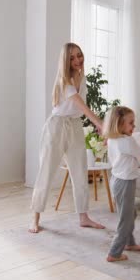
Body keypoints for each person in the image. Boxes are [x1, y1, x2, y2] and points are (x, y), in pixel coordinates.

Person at [29, 42, 105, 233]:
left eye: (79, 55)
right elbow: (82, 106)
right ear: (65, 61)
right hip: (56, 127)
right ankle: (35, 218)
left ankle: (84, 216)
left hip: (75, 125)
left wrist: (96, 124)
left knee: (80, 171)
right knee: (46, 171)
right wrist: (99, 123)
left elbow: (79, 111)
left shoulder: (82, 77)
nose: (77, 60)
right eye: (72, 58)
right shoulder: (65, 81)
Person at [102, 106, 140, 262]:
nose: (134, 126)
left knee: (130, 214)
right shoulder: (127, 141)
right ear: (119, 124)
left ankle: (130, 243)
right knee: (126, 218)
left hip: (116, 180)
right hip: (126, 183)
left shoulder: (111, 139)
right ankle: (114, 253)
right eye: (131, 123)